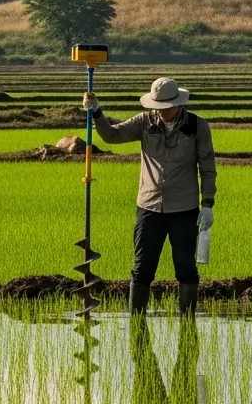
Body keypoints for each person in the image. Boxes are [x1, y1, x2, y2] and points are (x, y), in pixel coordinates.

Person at [83, 77, 216, 316]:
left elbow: (207, 168)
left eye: (165, 108)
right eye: (157, 107)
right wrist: (97, 112)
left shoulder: (197, 127)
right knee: (142, 269)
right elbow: (112, 136)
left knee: (186, 269)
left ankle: (188, 322)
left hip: (184, 209)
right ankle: (137, 321)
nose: (160, 112)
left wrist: (207, 204)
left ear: (178, 104)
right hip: (149, 207)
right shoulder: (145, 122)